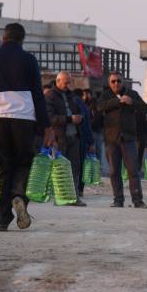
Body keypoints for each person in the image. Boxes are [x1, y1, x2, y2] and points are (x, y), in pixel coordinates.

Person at [0, 23, 51, 231]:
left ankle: (2, 218)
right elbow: (37, 95)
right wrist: (46, 126)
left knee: (2, 167)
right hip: (25, 119)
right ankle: (18, 195)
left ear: (3, 38)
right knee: (24, 162)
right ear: (22, 39)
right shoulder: (29, 60)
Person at [97, 72, 147, 208]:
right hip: (111, 139)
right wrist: (117, 101)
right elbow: (99, 107)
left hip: (129, 139)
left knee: (133, 171)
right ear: (109, 83)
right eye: (113, 81)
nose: (116, 84)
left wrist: (132, 102)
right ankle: (118, 200)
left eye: (118, 81)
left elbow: (146, 108)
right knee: (114, 172)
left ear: (123, 82)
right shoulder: (105, 95)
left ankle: (137, 200)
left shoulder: (132, 94)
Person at [44, 71, 87, 206]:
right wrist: (69, 119)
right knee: (60, 169)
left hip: (74, 136)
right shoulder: (50, 96)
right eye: (66, 82)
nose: (68, 85)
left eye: (69, 82)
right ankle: (61, 197)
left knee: (75, 167)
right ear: (58, 81)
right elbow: (50, 118)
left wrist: (79, 117)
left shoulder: (71, 95)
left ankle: (73, 197)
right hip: (59, 138)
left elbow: (79, 110)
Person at [71, 88, 94, 198]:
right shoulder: (85, 107)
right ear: (82, 95)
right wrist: (91, 142)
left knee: (72, 165)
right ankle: (79, 190)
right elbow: (88, 126)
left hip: (73, 138)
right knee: (81, 165)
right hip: (83, 139)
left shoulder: (72, 103)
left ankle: (71, 190)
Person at [136, 109, 147, 179]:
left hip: (134, 140)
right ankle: (137, 172)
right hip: (142, 140)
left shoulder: (132, 119)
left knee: (132, 157)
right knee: (139, 157)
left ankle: (132, 172)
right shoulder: (146, 121)